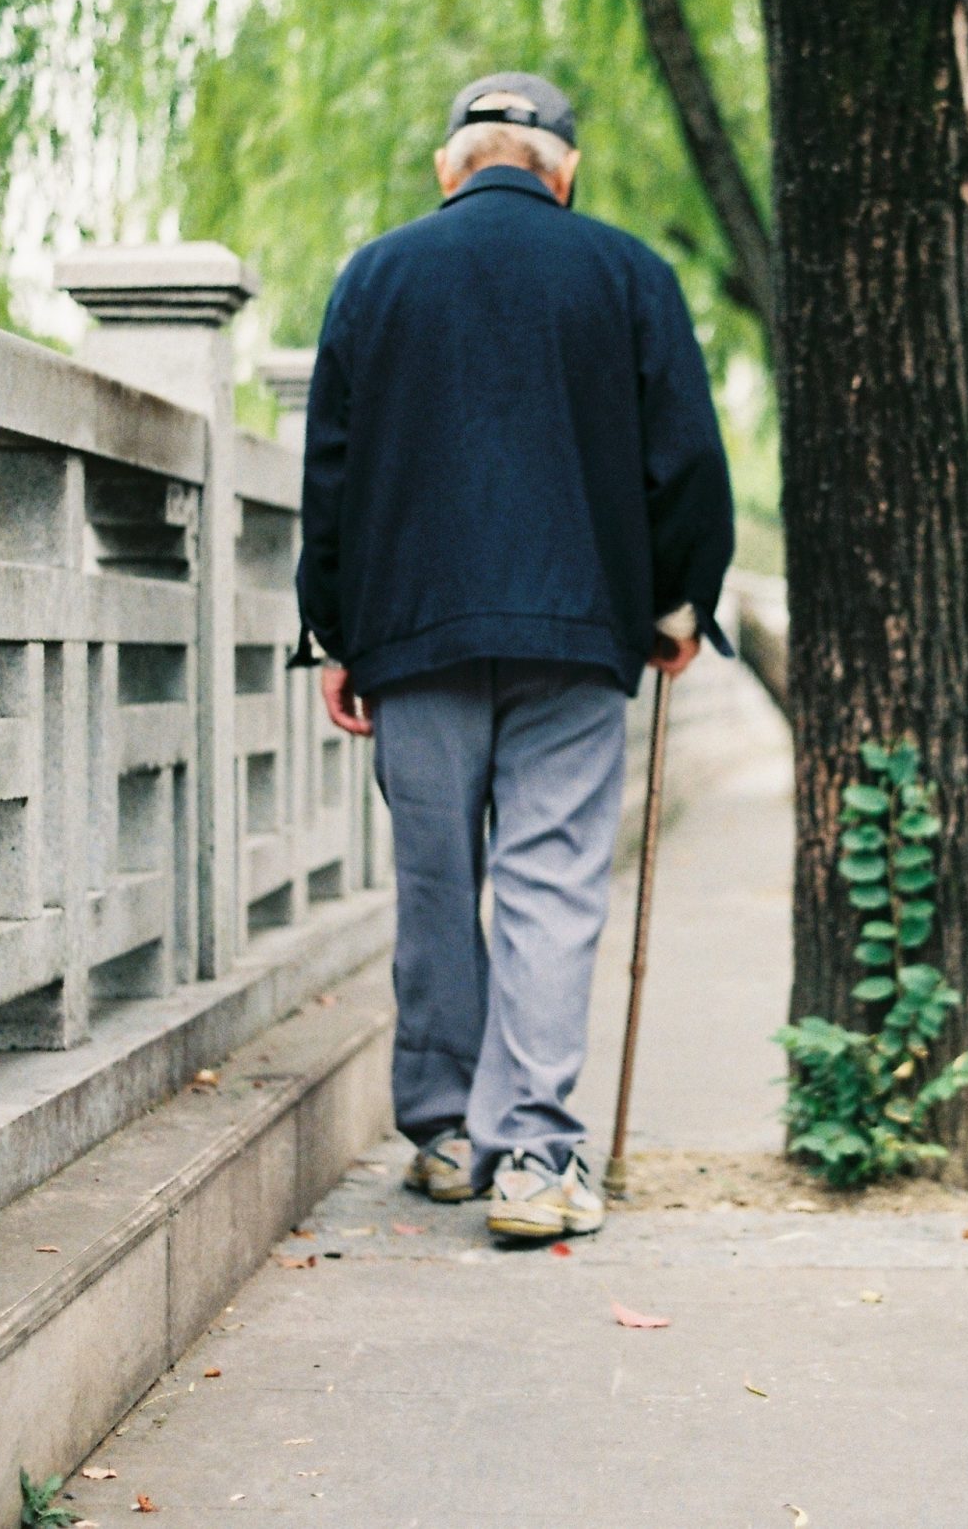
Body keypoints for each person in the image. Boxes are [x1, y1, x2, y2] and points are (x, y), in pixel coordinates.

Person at [295, 73, 735, 1242]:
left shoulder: (375, 275)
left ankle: (443, 1133)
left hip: (415, 636)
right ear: (563, 170)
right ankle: (536, 1153)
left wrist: (333, 632)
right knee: (551, 880)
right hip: (578, 631)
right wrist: (678, 606)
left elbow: (329, 473)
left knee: (439, 881)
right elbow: (683, 459)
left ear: (451, 167)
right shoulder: (627, 272)